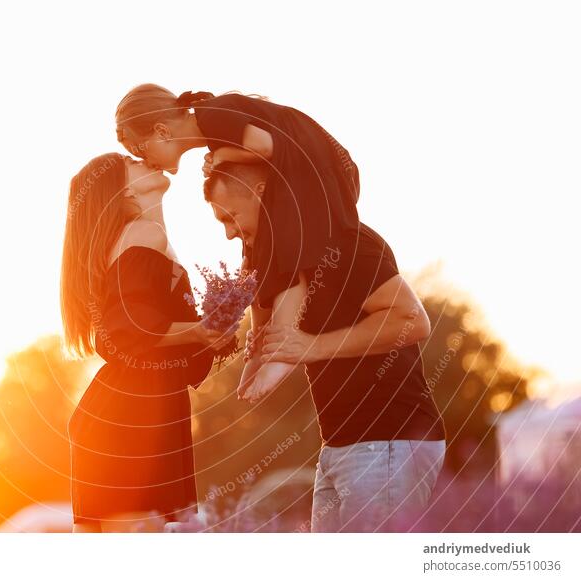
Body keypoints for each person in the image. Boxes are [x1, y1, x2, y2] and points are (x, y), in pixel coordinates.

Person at [203, 161, 447, 532]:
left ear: (262, 194)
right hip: (339, 445)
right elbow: (267, 354)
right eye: (220, 222)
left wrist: (312, 346)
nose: (229, 234)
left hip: (388, 439)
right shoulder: (289, 263)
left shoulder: (345, 241)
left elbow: (411, 320)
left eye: (231, 216)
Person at [116, 84, 362, 404]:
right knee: (254, 255)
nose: (148, 161)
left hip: (321, 169)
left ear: (162, 131)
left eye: (143, 151)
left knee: (288, 247)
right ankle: (259, 343)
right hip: (298, 173)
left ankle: (282, 348)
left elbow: (272, 146)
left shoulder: (213, 116)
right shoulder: (211, 128)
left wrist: (223, 154)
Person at [59, 153, 231, 532]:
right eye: (131, 162)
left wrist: (207, 335)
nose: (145, 160)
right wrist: (201, 332)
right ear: (120, 191)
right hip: (136, 415)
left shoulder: (137, 237)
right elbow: (126, 330)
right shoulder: (143, 235)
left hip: (131, 409)